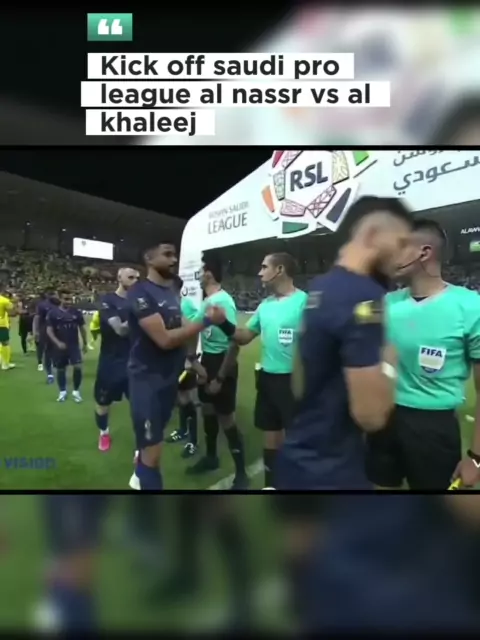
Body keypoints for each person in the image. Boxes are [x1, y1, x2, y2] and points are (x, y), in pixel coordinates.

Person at [275, 196, 413, 489]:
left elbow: (298, 381)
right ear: (373, 234)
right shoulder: (365, 296)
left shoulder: (320, 286)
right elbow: (371, 416)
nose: (404, 256)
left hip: (299, 459)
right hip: (332, 470)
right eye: (401, 242)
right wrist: (390, 363)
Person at [366, 218, 480, 490]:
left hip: (433, 428)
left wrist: (476, 458)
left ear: (424, 252)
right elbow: (344, 318)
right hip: (383, 419)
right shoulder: (384, 304)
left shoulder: (470, 307)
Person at [126, 243, 219, 491]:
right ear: (149, 258)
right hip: (147, 381)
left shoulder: (171, 292)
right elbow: (165, 339)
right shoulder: (140, 292)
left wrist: (193, 360)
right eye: (167, 254)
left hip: (169, 378)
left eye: (174, 255)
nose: (174, 259)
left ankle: (139, 471)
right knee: (153, 455)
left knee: (151, 443)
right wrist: (207, 321)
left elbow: (184, 326)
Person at [217, 253, 307, 489]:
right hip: (267, 378)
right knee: (271, 435)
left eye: (264, 267)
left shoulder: (304, 303)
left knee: (298, 441)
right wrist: (222, 323)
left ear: (280, 270)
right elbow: (244, 337)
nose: (260, 272)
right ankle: (271, 486)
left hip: (294, 381)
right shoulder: (264, 306)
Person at [186, 256, 246, 490]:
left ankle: (241, 474)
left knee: (226, 418)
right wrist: (195, 361)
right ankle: (211, 458)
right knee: (208, 411)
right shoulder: (208, 301)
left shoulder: (222, 301)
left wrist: (220, 378)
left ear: (209, 273)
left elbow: (234, 343)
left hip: (223, 363)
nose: (198, 274)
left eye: (201, 270)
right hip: (208, 361)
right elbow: (193, 329)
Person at [94, 268, 139, 452]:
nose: (135, 280)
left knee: (139, 406)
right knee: (103, 403)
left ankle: (140, 448)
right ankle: (104, 433)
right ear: (119, 278)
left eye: (137, 278)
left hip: (135, 362)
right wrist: (139, 315)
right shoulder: (108, 301)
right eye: (131, 277)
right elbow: (120, 330)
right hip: (110, 363)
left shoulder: (139, 301)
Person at [166, 275, 200, 458]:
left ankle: (193, 441)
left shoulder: (184, 305)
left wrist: (190, 358)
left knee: (187, 399)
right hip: (172, 359)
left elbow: (194, 330)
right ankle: (182, 430)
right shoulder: (168, 305)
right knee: (180, 398)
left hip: (183, 359)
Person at [46, 290, 88, 403]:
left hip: (73, 345)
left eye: (70, 299)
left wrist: (85, 343)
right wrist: (57, 342)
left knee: (78, 367)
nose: (69, 302)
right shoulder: (53, 313)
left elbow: (82, 328)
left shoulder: (76, 312)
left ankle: (76, 391)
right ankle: (62, 391)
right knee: (61, 369)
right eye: (66, 299)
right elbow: (49, 330)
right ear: (60, 299)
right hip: (60, 346)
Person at [34, 289, 57, 382]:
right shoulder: (42, 305)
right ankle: (50, 374)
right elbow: (37, 318)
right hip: (45, 331)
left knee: (57, 351)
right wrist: (36, 331)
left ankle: (55, 367)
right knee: (47, 351)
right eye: (53, 294)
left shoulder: (59, 304)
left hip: (58, 331)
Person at [0, 288, 16, 370]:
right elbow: (12, 313)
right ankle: (5, 364)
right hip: (1, 324)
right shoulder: (4, 301)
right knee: (5, 343)